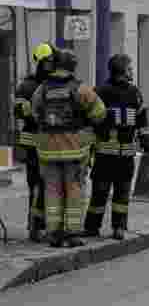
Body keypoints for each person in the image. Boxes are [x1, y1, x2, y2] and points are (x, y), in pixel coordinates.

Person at [31, 48, 107, 248]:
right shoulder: (80, 89)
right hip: (75, 148)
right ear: (73, 66)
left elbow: (35, 112)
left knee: (52, 190)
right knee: (74, 190)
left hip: (47, 148)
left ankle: (53, 232)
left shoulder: (42, 89)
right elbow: (100, 113)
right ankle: (72, 233)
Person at [84, 54, 149, 239]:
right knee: (100, 193)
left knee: (122, 194)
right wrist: (89, 147)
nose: (132, 72)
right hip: (105, 154)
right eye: (129, 68)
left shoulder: (134, 93)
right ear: (121, 70)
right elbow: (90, 120)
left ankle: (119, 227)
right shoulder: (101, 92)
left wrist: (145, 138)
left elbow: (141, 118)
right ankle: (92, 227)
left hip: (126, 154)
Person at [13, 42, 56, 242]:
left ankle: (46, 224)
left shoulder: (56, 84)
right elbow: (19, 111)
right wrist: (38, 112)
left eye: (51, 62)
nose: (49, 65)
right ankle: (35, 225)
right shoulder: (27, 86)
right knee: (37, 185)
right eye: (46, 62)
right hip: (34, 144)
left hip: (53, 143)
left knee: (50, 186)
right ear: (39, 62)